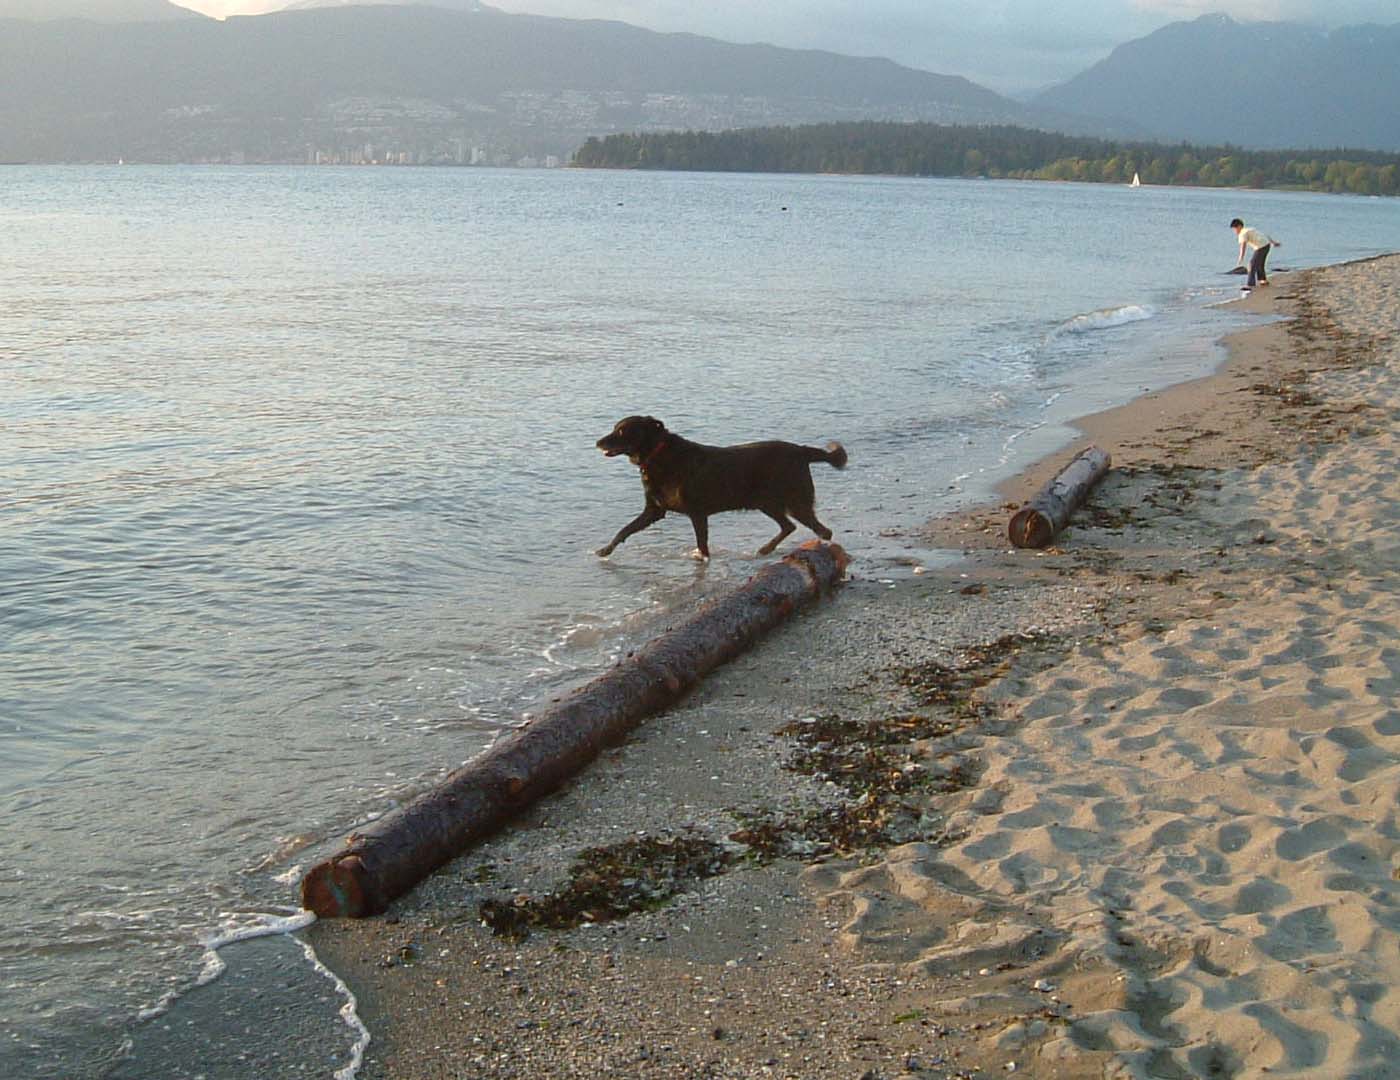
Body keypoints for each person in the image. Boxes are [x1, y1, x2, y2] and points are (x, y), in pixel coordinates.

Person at [1231, 218, 1279, 289]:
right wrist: (1273, 242)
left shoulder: (1242, 233)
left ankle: (1250, 284)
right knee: (1260, 264)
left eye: (1235, 229)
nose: (1235, 231)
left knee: (1251, 265)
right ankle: (1262, 280)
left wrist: (1241, 257)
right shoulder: (1250, 229)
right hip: (1266, 245)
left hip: (1261, 247)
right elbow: (1264, 235)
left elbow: (1243, 246)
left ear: (1239, 226)